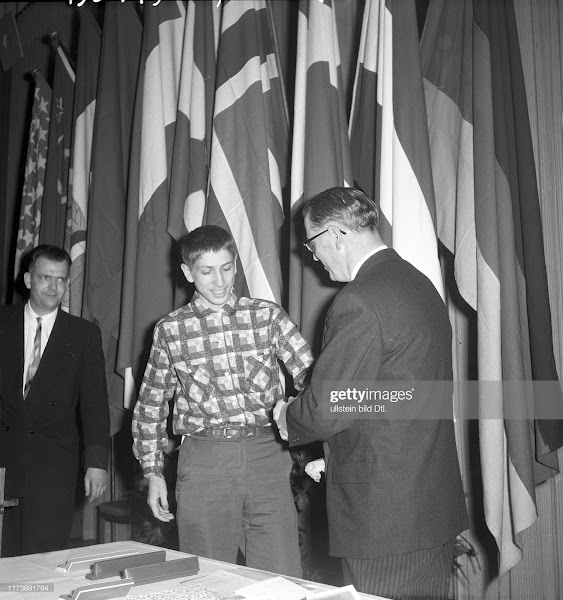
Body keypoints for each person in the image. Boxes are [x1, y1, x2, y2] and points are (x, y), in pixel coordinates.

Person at [274, 187, 469, 599]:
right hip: (428, 506)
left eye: (312, 245)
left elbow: (328, 407)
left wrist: (288, 415)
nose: (314, 257)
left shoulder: (359, 300)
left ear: (335, 234)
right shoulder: (417, 283)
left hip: (384, 519)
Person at [132, 225, 313, 577]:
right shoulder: (170, 329)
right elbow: (151, 405)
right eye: (206, 271)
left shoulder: (267, 316)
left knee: (280, 577)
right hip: (205, 461)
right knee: (208, 579)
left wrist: (299, 422)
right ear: (187, 272)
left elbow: (310, 376)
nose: (219, 281)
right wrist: (153, 472)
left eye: (227, 268)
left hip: (267, 456)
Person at [0, 245, 110, 557]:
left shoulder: (84, 334)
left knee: (44, 558)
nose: (54, 287)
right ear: (27, 279)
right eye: (46, 277)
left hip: (54, 466)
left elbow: (95, 404)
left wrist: (97, 463)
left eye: (61, 280)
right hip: (4, 459)